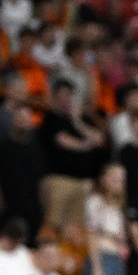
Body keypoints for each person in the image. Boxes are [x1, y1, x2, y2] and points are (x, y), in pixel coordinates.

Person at [38, 78, 107, 233]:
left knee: (75, 228)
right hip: (59, 180)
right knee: (53, 224)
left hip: (82, 181)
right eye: (62, 95)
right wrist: (86, 145)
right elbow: (63, 140)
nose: (66, 98)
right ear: (54, 96)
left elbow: (99, 139)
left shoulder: (80, 120)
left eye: (69, 95)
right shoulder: (51, 118)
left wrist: (76, 121)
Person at [0, 102, 47, 241]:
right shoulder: (1, 147)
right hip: (7, 207)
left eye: (26, 119)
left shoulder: (37, 150)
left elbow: (41, 181)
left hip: (31, 209)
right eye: (20, 118)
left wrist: (43, 207)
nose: (23, 122)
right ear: (13, 120)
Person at [83, 162, 128, 275]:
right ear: (103, 179)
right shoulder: (95, 202)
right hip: (102, 256)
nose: (118, 183)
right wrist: (96, 266)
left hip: (116, 258)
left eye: (121, 180)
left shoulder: (118, 206)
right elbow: (91, 234)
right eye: (114, 178)